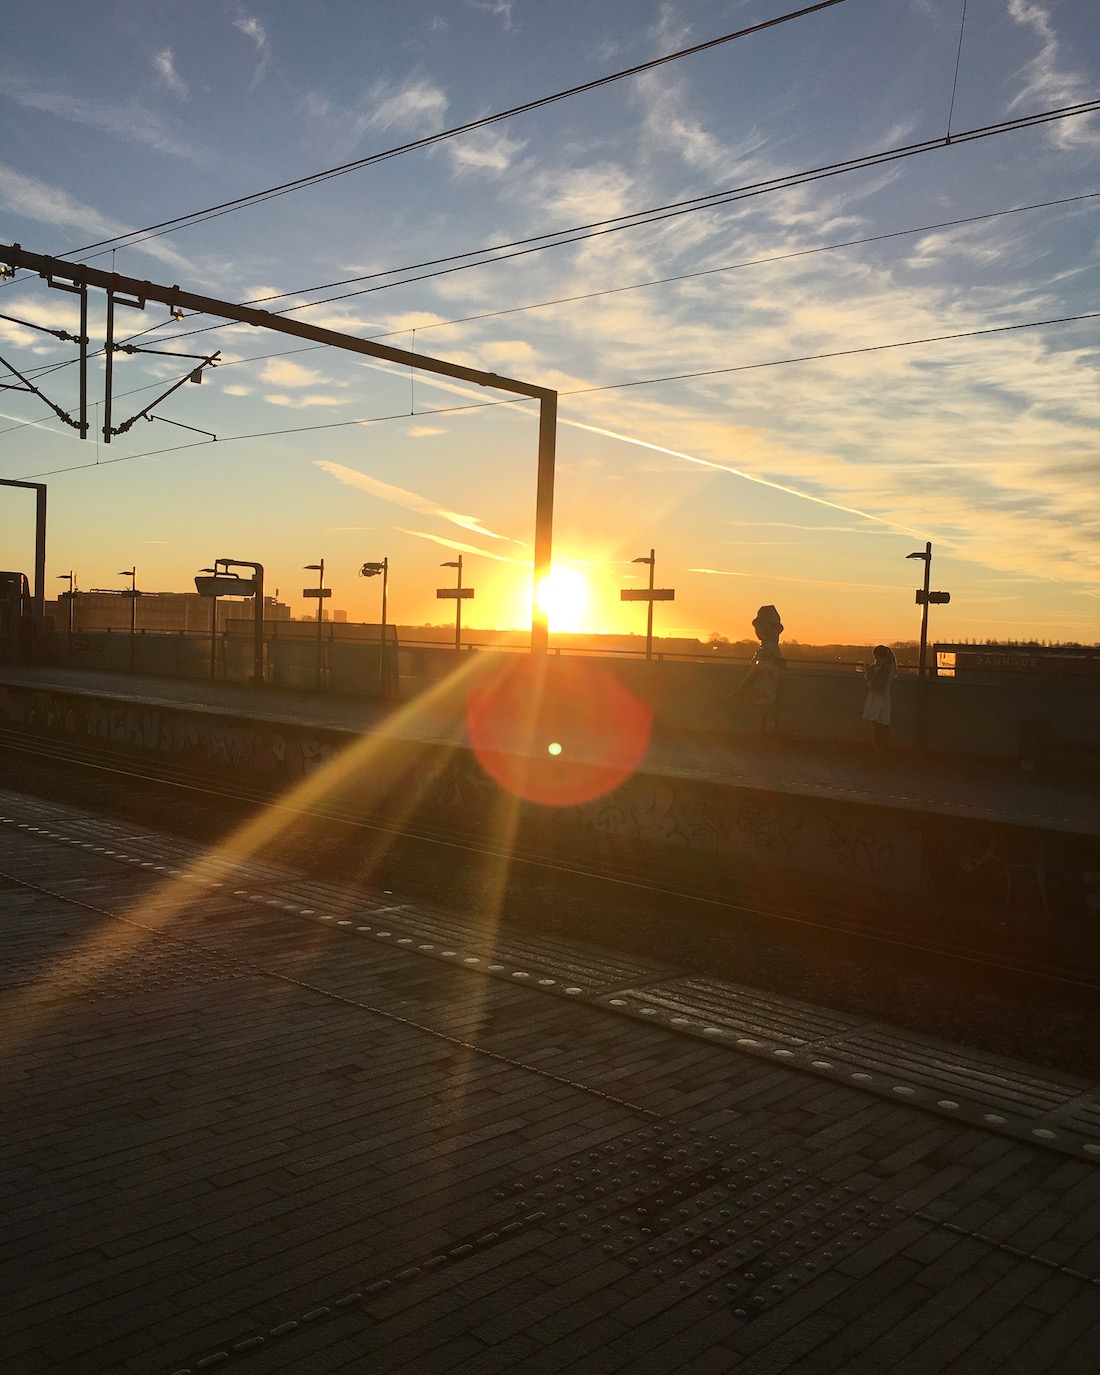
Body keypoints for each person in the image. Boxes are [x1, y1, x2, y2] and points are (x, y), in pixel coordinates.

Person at [735, 605, 786, 735]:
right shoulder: (769, 646)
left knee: (766, 709)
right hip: (765, 682)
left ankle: (765, 733)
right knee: (765, 708)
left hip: (766, 682)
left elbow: (763, 663)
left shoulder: (769, 647)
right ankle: (765, 732)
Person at [862, 644, 897, 755]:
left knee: (882, 723)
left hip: (881, 696)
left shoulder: (887, 668)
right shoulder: (881, 667)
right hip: (878, 696)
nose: (875, 659)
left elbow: (879, 683)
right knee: (877, 722)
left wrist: (870, 679)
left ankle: (881, 747)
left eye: (877, 657)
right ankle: (879, 747)